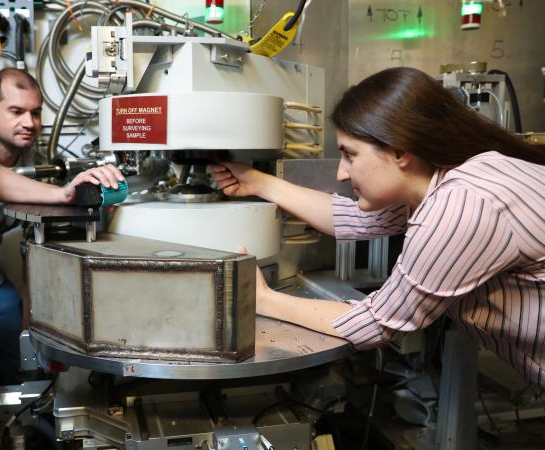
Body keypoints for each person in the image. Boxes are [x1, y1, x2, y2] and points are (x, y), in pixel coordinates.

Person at [212, 67, 545, 390]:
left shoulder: (463, 206)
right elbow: (354, 218)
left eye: (350, 155)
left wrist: (263, 300)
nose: (342, 174)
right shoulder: (444, 177)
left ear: (400, 151)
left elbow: (376, 324)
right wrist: (257, 182)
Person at [0, 68, 123, 384]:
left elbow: (33, 244)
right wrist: (64, 194)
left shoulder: (36, 160)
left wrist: (32, 331)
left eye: (35, 113)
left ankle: (16, 410)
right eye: (16, 111)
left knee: (18, 358)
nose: (29, 123)